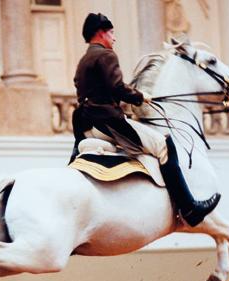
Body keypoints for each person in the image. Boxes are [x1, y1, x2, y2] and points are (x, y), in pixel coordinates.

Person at [70, 12, 219, 226]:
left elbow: (99, 93)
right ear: (101, 33)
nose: (114, 37)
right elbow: (117, 87)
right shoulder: (106, 55)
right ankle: (189, 208)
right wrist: (140, 97)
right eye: (111, 32)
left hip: (86, 125)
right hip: (106, 122)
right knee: (163, 145)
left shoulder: (84, 60)